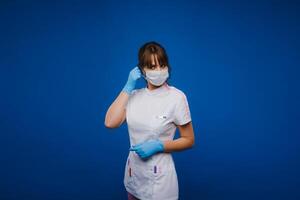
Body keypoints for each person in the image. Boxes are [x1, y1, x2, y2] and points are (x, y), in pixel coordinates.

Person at [105, 41, 195, 200]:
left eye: (162, 65)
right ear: (142, 70)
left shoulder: (177, 97)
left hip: (160, 183)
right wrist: (127, 87)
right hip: (134, 177)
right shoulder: (133, 96)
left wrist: (160, 145)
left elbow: (189, 140)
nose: (159, 71)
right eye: (152, 67)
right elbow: (110, 122)